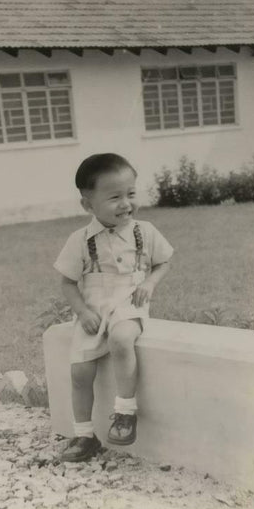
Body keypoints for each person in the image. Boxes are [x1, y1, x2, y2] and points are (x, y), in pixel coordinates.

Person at [53, 153, 174, 462]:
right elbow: (67, 282)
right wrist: (82, 311)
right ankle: (84, 435)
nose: (126, 203)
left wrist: (149, 283)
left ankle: (125, 411)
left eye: (131, 194)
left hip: (128, 304)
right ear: (88, 205)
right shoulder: (79, 240)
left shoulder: (144, 231)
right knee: (79, 372)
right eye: (115, 197)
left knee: (121, 339)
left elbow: (164, 262)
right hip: (93, 309)